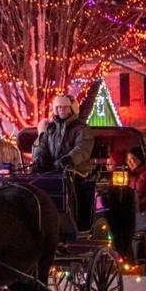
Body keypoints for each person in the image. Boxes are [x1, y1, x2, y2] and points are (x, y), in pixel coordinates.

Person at [32, 94, 95, 230]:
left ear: (72, 109)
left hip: (77, 172)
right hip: (55, 172)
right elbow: (42, 146)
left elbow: (83, 148)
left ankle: (77, 225)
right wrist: (40, 159)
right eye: (58, 107)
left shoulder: (82, 129)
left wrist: (69, 159)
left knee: (74, 189)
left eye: (65, 107)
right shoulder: (50, 129)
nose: (61, 110)